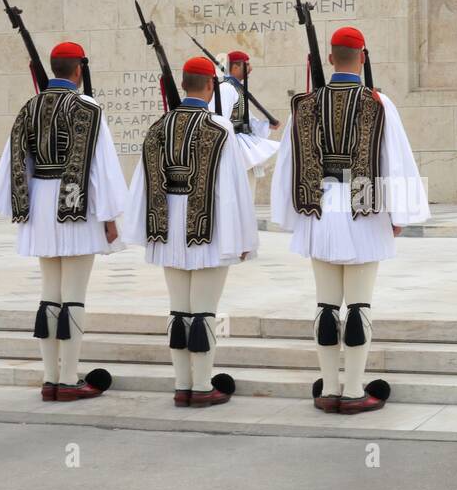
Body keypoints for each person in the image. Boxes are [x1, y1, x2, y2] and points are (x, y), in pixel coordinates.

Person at [270, 27, 429, 415]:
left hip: (319, 207)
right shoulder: (377, 103)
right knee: (358, 305)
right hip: (365, 202)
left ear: (329, 59)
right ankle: (354, 391)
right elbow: (396, 159)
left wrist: (292, 215)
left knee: (326, 305)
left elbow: (289, 163)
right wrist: (401, 212)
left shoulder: (304, 104)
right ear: (363, 57)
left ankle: (328, 388)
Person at [0, 41, 128, 400]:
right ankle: (68, 380)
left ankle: (50, 379)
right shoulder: (87, 108)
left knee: (49, 295)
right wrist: (110, 215)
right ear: (79, 70)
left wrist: (22, 209)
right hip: (76, 206)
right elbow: (102, 166)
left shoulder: (29, 107)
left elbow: (14, 163)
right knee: (74, 296)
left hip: (39, 205)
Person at [122, 56, 259, 407]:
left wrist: (145, 230)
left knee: (179, 311)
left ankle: (182, 385)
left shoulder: (157, 128)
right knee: (204, 311)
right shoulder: (219, 128)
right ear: (211, 85)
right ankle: (201, 387)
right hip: (208, 230)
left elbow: (143, 183)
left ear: (183, 85)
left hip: (168, 232)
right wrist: (243, 238)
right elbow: (232, 188)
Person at [217, 49, 280, 176]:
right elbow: (221, 121)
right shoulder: (226, 88)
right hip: (234, 150)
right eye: (247, 65)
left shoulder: (236, 88)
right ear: (235, 67)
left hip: (241, 147)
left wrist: (267, 125)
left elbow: (246, 119)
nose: (250, 68)